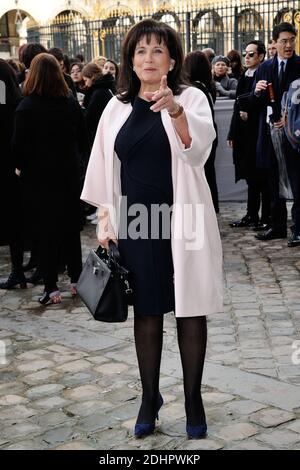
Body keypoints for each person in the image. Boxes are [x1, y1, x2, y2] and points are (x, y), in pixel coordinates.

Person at [81, 19, 223, 439]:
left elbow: (198, 151)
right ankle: (149, 397)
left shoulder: (191, 97)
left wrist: (175, 111)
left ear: (172, 59)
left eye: (157, 50)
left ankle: (193, 399)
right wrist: (106, 223)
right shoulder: (116, 105)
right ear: (130, 59)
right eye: (141, 51)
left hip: (185, 218)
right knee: (146, 312)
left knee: (189, 309)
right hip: (137, 223)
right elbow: (105, 169)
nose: (148, 58)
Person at [12, 54, 85, 304]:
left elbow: (17, 147)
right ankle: (77, 280)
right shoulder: (70, 103)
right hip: (67, 176)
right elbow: (83, 137)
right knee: (70, 231)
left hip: (38, 180)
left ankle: (52, 287)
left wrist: (20, 168)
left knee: (45, 233)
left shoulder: (26, 107)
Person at [252, 23, 300, 245]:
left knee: (298, 180)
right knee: (272, 179)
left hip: (295, 135)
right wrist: (257, 92)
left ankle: (298, 228)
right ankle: (277, 225)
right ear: (274, 42)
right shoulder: (264, 68)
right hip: (270, 133)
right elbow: (254, 102)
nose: (289, 45)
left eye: (292, 40)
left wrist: (288, 119)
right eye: (284, 41)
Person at [228, 40, 270, 229]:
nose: (247, 57)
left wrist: (249, 112)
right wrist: (232, 133)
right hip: (243, 133)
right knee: (250, 176)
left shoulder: (263, 74)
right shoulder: (244, 75)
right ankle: (251, 214)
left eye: (251, 54)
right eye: (245, 53)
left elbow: (264, 103)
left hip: (258, 131)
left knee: (261, 177)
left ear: (261, 56)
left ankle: (265, 216)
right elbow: (237, 104)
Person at [183, 50, 219, 213]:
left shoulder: (195, 89)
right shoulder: (208, 85)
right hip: (209, 131)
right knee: (208, 171)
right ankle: (212, 206)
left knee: (200, 172)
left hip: (200, 133)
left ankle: (206, 207)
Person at [0, 60, 25, 289]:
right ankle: (17, 269)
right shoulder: (15, 95)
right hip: (13, 164)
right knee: (14, 220)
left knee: (11, 219)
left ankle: (17, 270)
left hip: (7, 163)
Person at [82, 62, 115, 148]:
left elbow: (89, 119)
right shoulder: (104, 87)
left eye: (86, 80)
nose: (85, 84)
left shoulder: (98, 92)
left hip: (101, 136)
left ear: (92, 77)